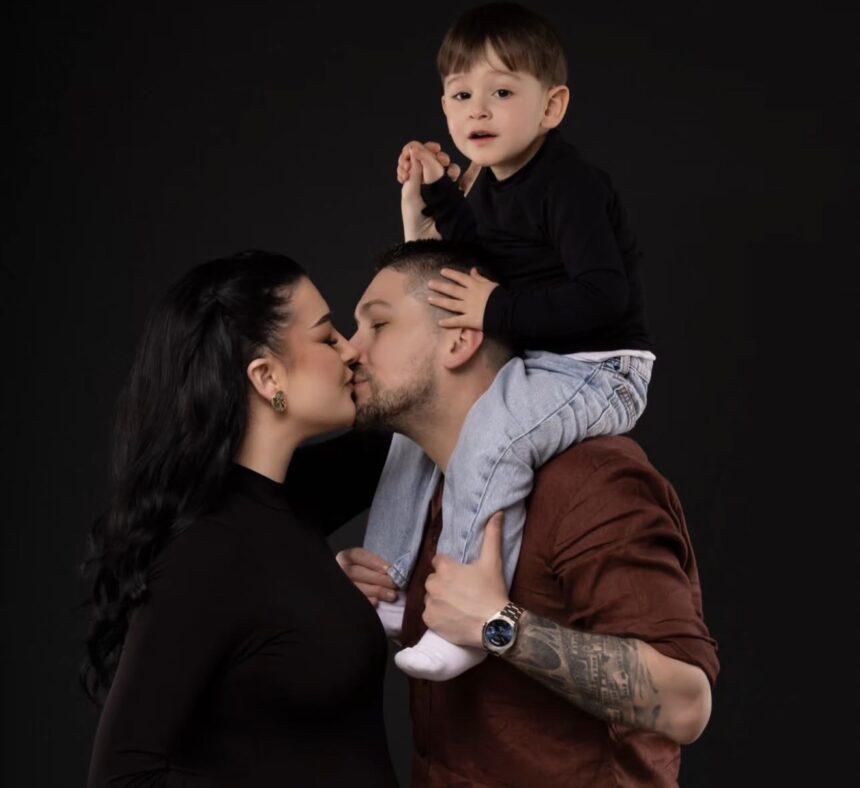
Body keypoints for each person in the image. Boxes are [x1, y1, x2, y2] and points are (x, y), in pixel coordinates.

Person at [338, 239, 718, 785]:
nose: (350, 350)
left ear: (459, 339)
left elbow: (686, 703)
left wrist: (499, 626)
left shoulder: (591, 481)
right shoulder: (428, 492)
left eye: (377, 325)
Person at [363, 1, 657, 681]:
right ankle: (388, 585)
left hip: (600, 367)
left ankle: (460, 615)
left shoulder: (569, 184)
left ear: (551, 107)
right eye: (461, 95)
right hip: (538, 360)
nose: (479, 111)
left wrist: (497, 307)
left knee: (492, 435)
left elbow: (604, 295)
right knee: (413, 432)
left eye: (501, 93)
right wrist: (435, 193)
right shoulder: (492, 183)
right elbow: (475, 249)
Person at [82, 251, 398, 787]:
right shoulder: (206, 551)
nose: (350, 350)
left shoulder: (288, 499)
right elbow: (122, 778)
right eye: (327, 337)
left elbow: (417, 414)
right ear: (267, 376)